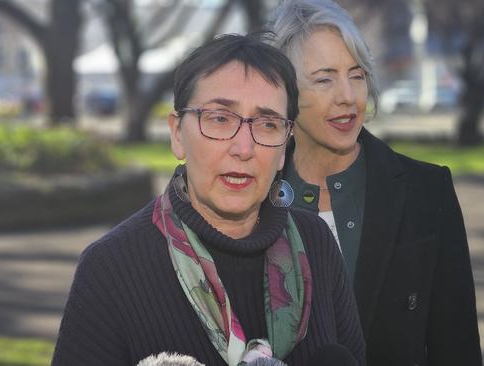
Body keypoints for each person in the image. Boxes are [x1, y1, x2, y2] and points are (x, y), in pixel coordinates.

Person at [52, 34, 365, 366]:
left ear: (284, 148)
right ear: (177, 134)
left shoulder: (316, 243)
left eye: (268, 124)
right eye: (219, 119)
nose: (244, 148)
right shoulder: (111, 266)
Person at [267, 1, 482, 364]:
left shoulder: (428, 192)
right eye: (324, 79)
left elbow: (457, 347)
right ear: (285, 91)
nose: (348, 97)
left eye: (356, 74)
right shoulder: (254, 194)